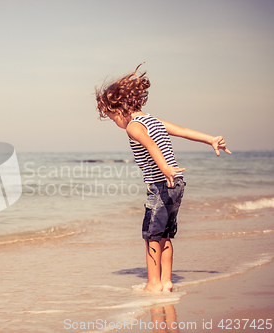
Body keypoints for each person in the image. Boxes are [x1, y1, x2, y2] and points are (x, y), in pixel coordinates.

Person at [95, 64, 231, 292]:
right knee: (166, 235)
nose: (115, 123)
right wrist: (210, 139)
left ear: (118, 110)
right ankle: (167, 281)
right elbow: (184, 131)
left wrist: (165, 168)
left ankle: (153, 284)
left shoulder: (133, 127)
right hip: (176, 184)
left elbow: (150, 146)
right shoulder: (154, 120)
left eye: (111, 118)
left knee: (152, 236)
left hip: (161, 184)